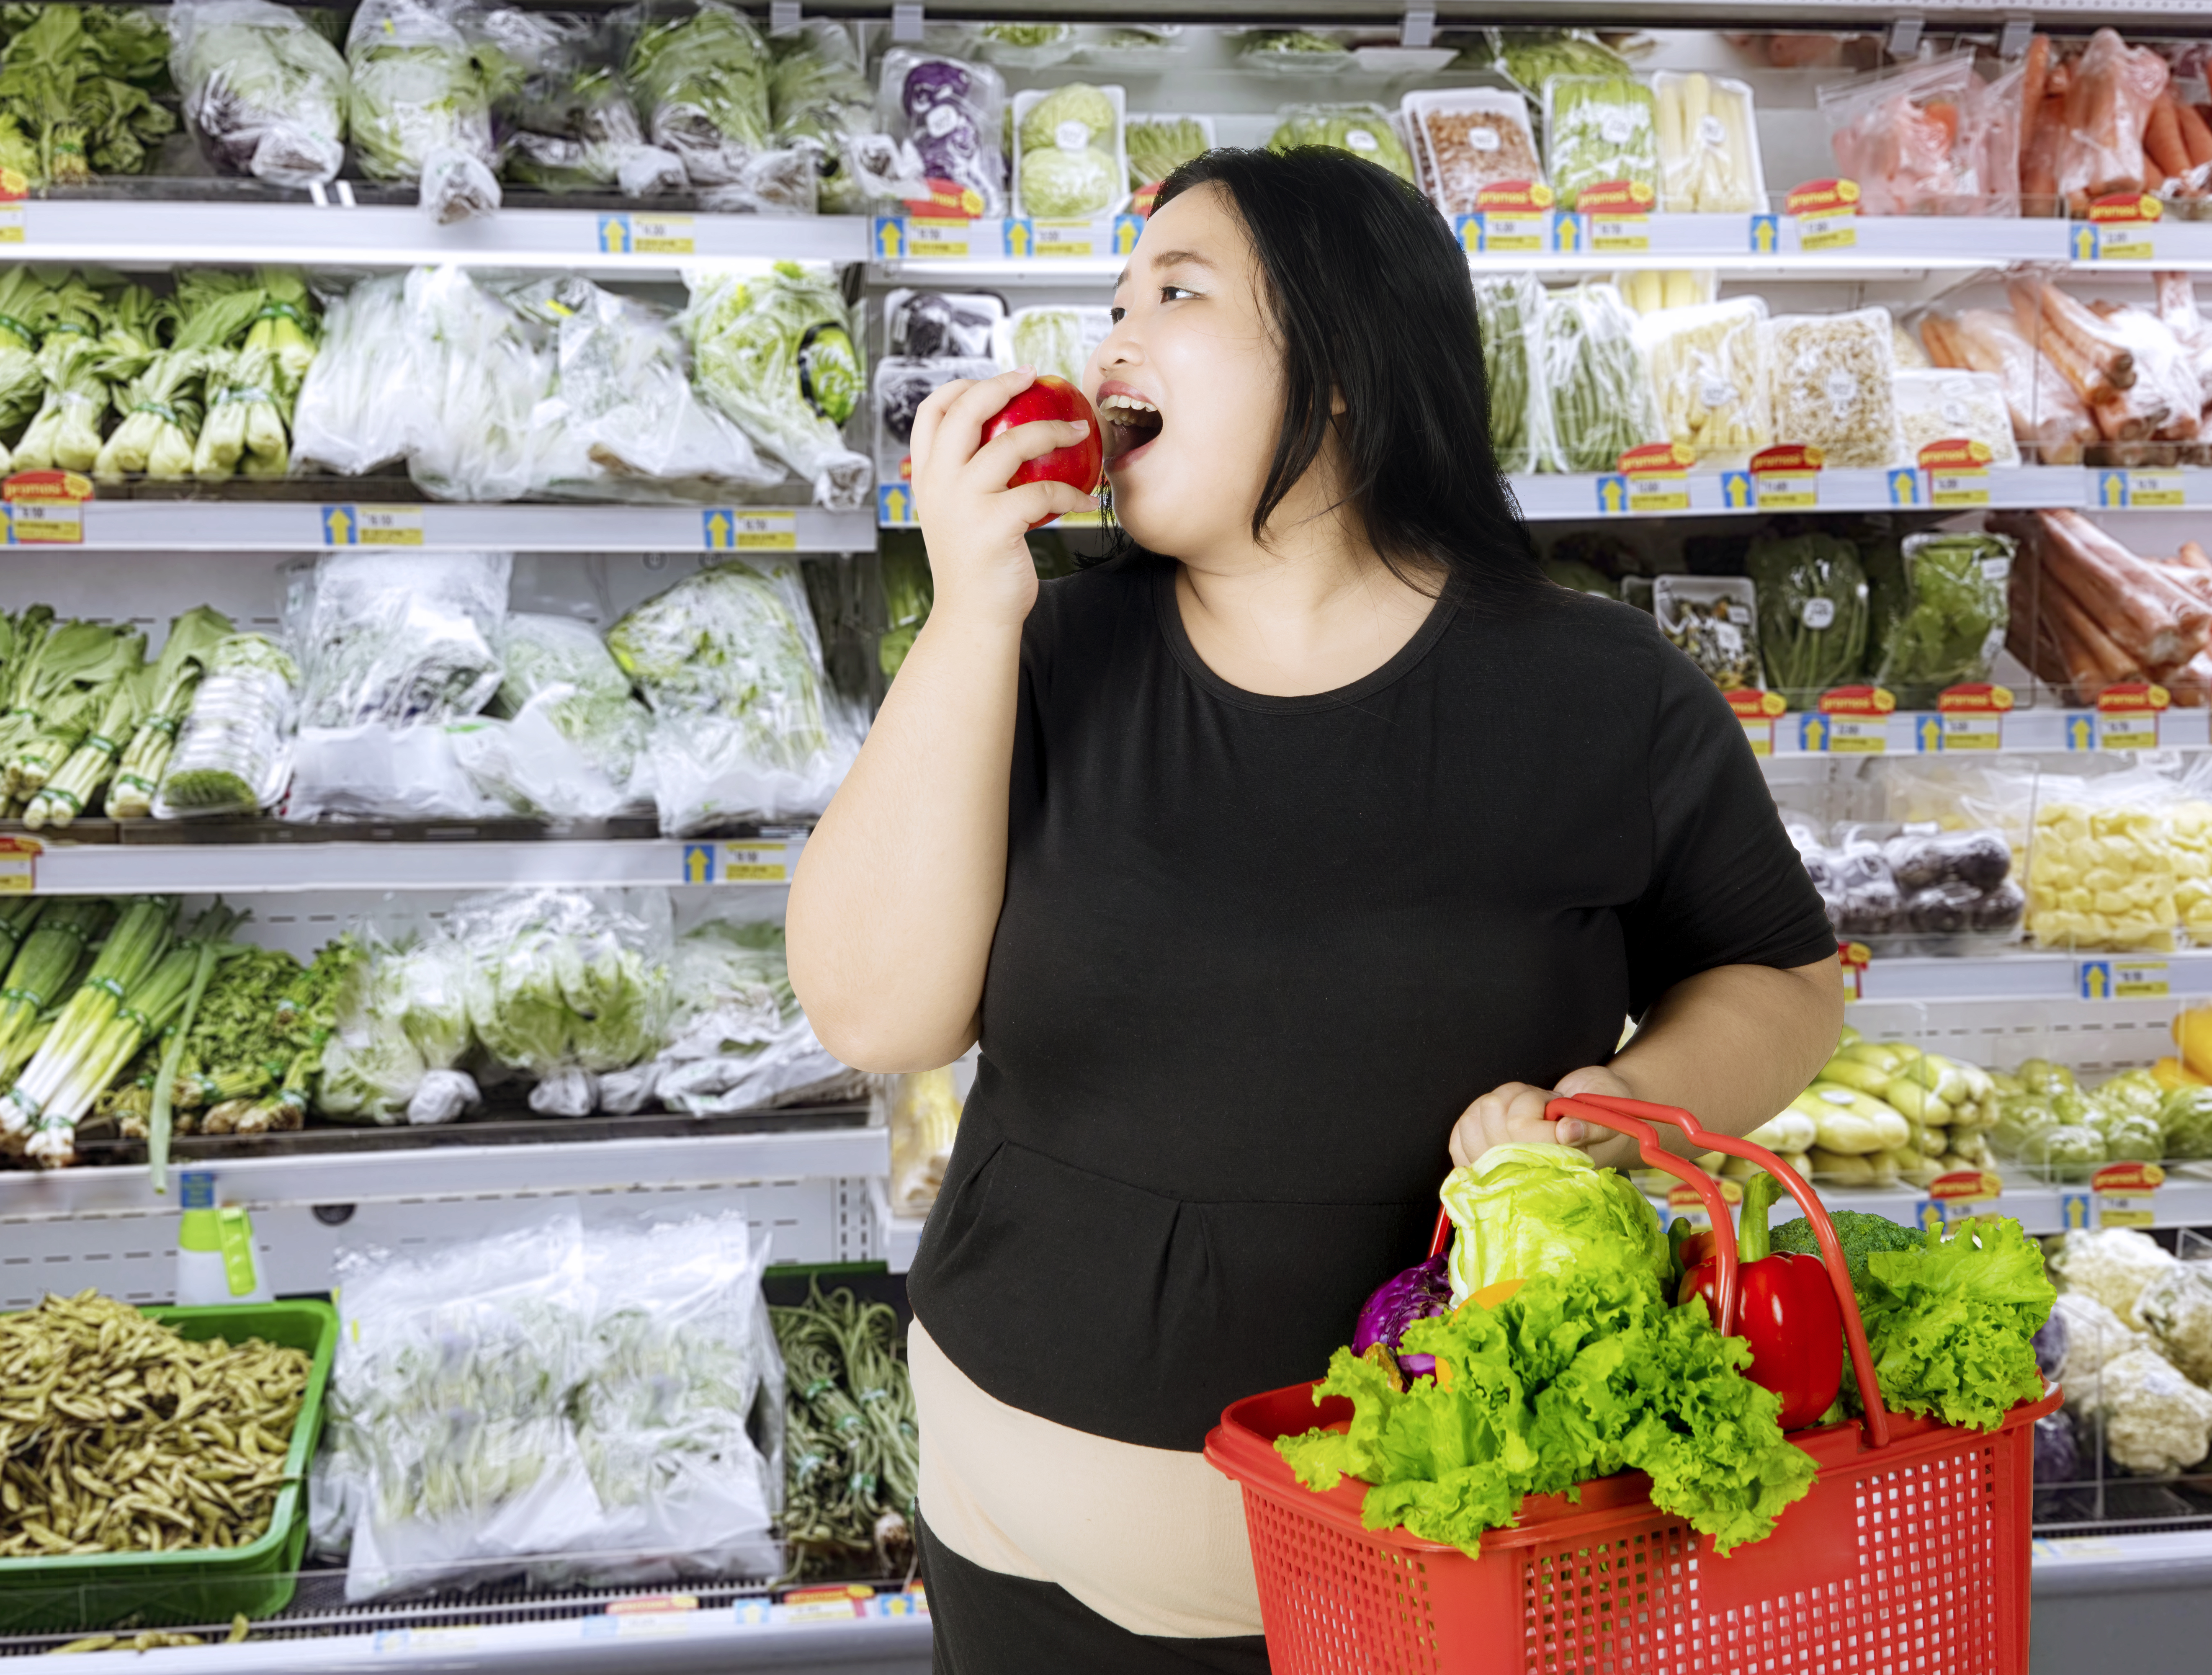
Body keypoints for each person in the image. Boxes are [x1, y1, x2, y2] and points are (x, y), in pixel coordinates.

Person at [785, 147, 1844, 1674]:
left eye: (1178, 292)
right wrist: (972, 609)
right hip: (1019, 1552)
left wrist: (1631, 1103)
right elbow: (876, 1014)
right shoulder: (1041, 652)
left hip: (1450, 1563)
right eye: (1113, 301)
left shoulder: (1603, 693)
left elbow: (1783, 975)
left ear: (1345, 364)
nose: (1111, 343)